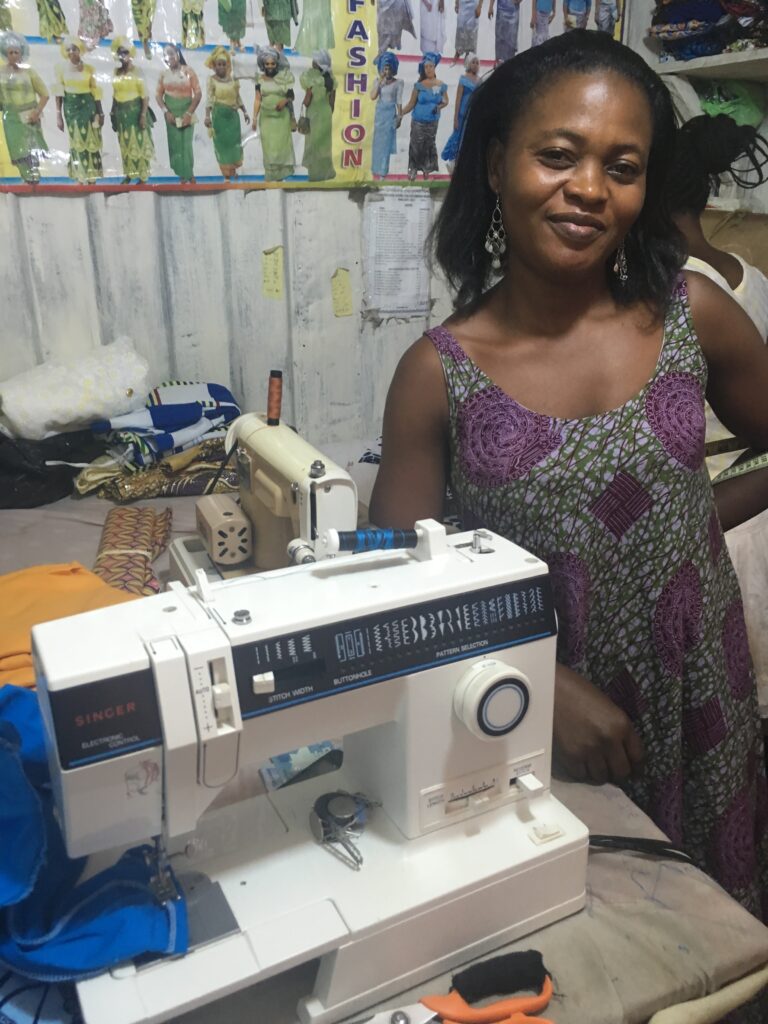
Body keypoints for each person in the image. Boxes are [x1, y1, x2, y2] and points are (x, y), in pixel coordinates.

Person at [369, 30, 768, 921]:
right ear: (496, 164)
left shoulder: (692, 316)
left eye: (622, 166)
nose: (589, 188)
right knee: (578, 948)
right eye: (558, 155)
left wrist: (697, 519)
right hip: (528, 724)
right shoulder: (440, 375)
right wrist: (537, 679)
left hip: (699, 700)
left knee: (718, 938)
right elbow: (396, 593)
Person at [667, 113, 768, 718]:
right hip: (757, 494)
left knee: (719, 695)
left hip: (715, 507)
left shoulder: (676, 291)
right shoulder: (748, 276)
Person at [53, 36, 104, 183]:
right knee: (77, 141)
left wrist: (100, 112)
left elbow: (95, 91)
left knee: (91, 140)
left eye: (74, 49)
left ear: (80, 50)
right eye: (68, 49)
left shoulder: (89, 69)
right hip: (71, 109)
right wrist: (58, 115)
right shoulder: (61, 68)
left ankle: (92, 177)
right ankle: (80, 176)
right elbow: (59, 93)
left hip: (89, 108)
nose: (71, 52)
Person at [0, 31, 48, 183]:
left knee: (32, 149)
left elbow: (45, 94)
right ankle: (26, 178)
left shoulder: (29, 72)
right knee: (18, 149)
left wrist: (37, 112)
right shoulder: (1, 73)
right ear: (6, 54)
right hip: (12, 118)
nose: (13, 55)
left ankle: (35, 177)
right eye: (10, 52)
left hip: (30, 115)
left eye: (16, 52)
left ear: (22, 53)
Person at [110, 36, 154, 183]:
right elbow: (115, 94)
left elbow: (145, 95)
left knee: (140, 144)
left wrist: (142, 115)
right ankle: (130, 174)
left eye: (126, 52)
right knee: (125, 145)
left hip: (136, 111)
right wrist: (112, 112)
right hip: (121, 114)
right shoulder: (115, 72)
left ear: (131, 54)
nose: (123, 56)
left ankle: (143, 177)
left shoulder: (137, 72)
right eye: (120, 53)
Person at [156, 43, 201, 183]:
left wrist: (188, 113)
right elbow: (158, 95)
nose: (169, 57)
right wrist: (166, 112)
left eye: (171, 53)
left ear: (177, 53)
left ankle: (190, 174)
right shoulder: (163, 74)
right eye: (166, 55)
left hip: (187, 110)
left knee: (186, 144)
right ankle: (181, 175)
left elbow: (198, 93)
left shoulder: (188, 71)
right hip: (171, 114)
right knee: (175, 144)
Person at [401, 51, 447, 181]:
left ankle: (427, 169)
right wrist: (401, 113)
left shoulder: (440, 85)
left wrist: (439, 107)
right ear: (423, 69)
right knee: (416, 145)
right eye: (426, 67)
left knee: (429, 145)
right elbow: (411, 103)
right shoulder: (419, 86)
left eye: (430, 66)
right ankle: (413, 169)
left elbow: (445, 101)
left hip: (432, 122)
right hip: (418, 121)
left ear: (434, 67)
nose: (428, 69)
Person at [204, 46, 249, 180]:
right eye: (219, 64)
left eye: (224, 64)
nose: (222, 67)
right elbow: (209, 99)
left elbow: (237, 97)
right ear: (214, 65)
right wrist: (207, 116)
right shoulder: (212, 80)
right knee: (222, 145)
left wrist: (245, 112)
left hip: (233, 118)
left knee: (233, 145)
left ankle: (233, 170)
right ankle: (226, 174)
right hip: (219, 117)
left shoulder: (233, 80)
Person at [253, 47, 295, 181]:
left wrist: (284, 101)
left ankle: (282, 175)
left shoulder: (284, 78)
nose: (270, 66)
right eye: (267, 64)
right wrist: (254, 117)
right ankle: (271, 175)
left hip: (282, 118)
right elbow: (258, 99)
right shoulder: (259, 79)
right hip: (266, 118)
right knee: (269, 147)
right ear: (263, 65)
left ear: (277, 64)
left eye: (272, 63)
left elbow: (291, 96)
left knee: (281, 145)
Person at [299, 49, 335, 182]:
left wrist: (305, 103)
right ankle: (326, 172)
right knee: (324, 144)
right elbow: (332, 102)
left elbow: (307, 99)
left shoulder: (312, 78)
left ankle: (315, 173)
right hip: (326, 113)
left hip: (314, 113)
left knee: (312, 143)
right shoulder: (330, 80)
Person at [440, 51, 478, 173]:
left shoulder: (479, 81)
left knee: (469, 139)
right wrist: (455, 118)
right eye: (473, 62)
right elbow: (458, 100)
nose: (475, 65)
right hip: (462, 114)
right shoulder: (463, 79)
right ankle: (453, 162)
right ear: (468, 64)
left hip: (473, 115)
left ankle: (463, 165)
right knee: (458, 137)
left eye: (477, 63)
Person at [371, 51, 403, 180]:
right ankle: (375, 170)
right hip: (379, 115)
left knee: (385, 145)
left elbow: (399, 101)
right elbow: (372, 96)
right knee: (377, 144)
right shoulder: (378, 82)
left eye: (389, 67)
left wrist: (399, 117)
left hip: (390, 115)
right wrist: (380, 81)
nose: (387, 70)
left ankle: (383, 172)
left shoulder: (398, 83)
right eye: (385, 67)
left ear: (393, 68)